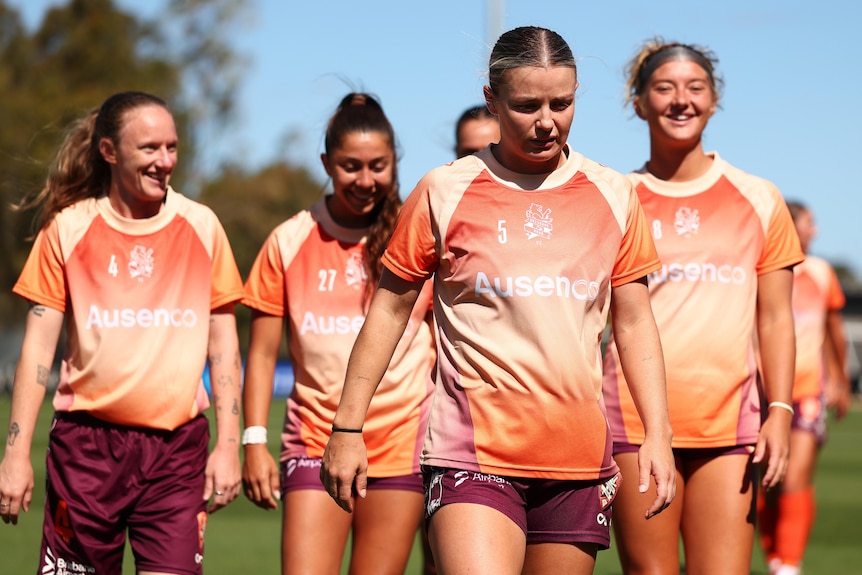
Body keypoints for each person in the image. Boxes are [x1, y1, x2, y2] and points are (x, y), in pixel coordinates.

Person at [321, 26, 676, 575]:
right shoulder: (445, 189)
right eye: (527, 105)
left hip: (577, 459)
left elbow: (633, 323)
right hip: (472, 455)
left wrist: (658, 433)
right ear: (492, 101)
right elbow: (389, 311)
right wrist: (347, 427)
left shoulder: (614, 193)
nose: (546, 121)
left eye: (562, 103)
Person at [0, 91, 244, 575]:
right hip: (85, 451)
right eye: (149, 148)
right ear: (109, 151)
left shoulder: (202, 226)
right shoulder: (67, 230)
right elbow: (37, 352)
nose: (165, 161)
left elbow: (224, 346)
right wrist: (14, 456)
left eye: (171, 147)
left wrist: (229, 445)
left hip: (177, 453)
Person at [601, 38, 805, 575]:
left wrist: (779, 412)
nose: (680, 101)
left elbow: (776, 316)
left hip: (728, 425)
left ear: (714, 100)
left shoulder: (758, 197)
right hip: (634, 424)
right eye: (664, 88)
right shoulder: (614, 197)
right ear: (639, 102)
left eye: (695, 88)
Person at [240, 92, 434, 575]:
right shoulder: (289, 240)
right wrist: (253, 442)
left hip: (402, 446)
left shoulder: (420, 237)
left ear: (395, 162)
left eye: (378, 165)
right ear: (326, 163)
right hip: (313, 441)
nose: (365, 181)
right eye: (350, 166)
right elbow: (261, 356)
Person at [757, 201, 850, 575]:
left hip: (808, 391)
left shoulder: (822, 273)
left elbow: (833, 333)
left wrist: (840, 378)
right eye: (810, 223)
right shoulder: (761, 270)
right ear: (791, 227)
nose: (817, 231)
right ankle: (776, 559)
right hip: (762, 393)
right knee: (767, 480)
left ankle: (790, 564)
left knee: (795, 476)